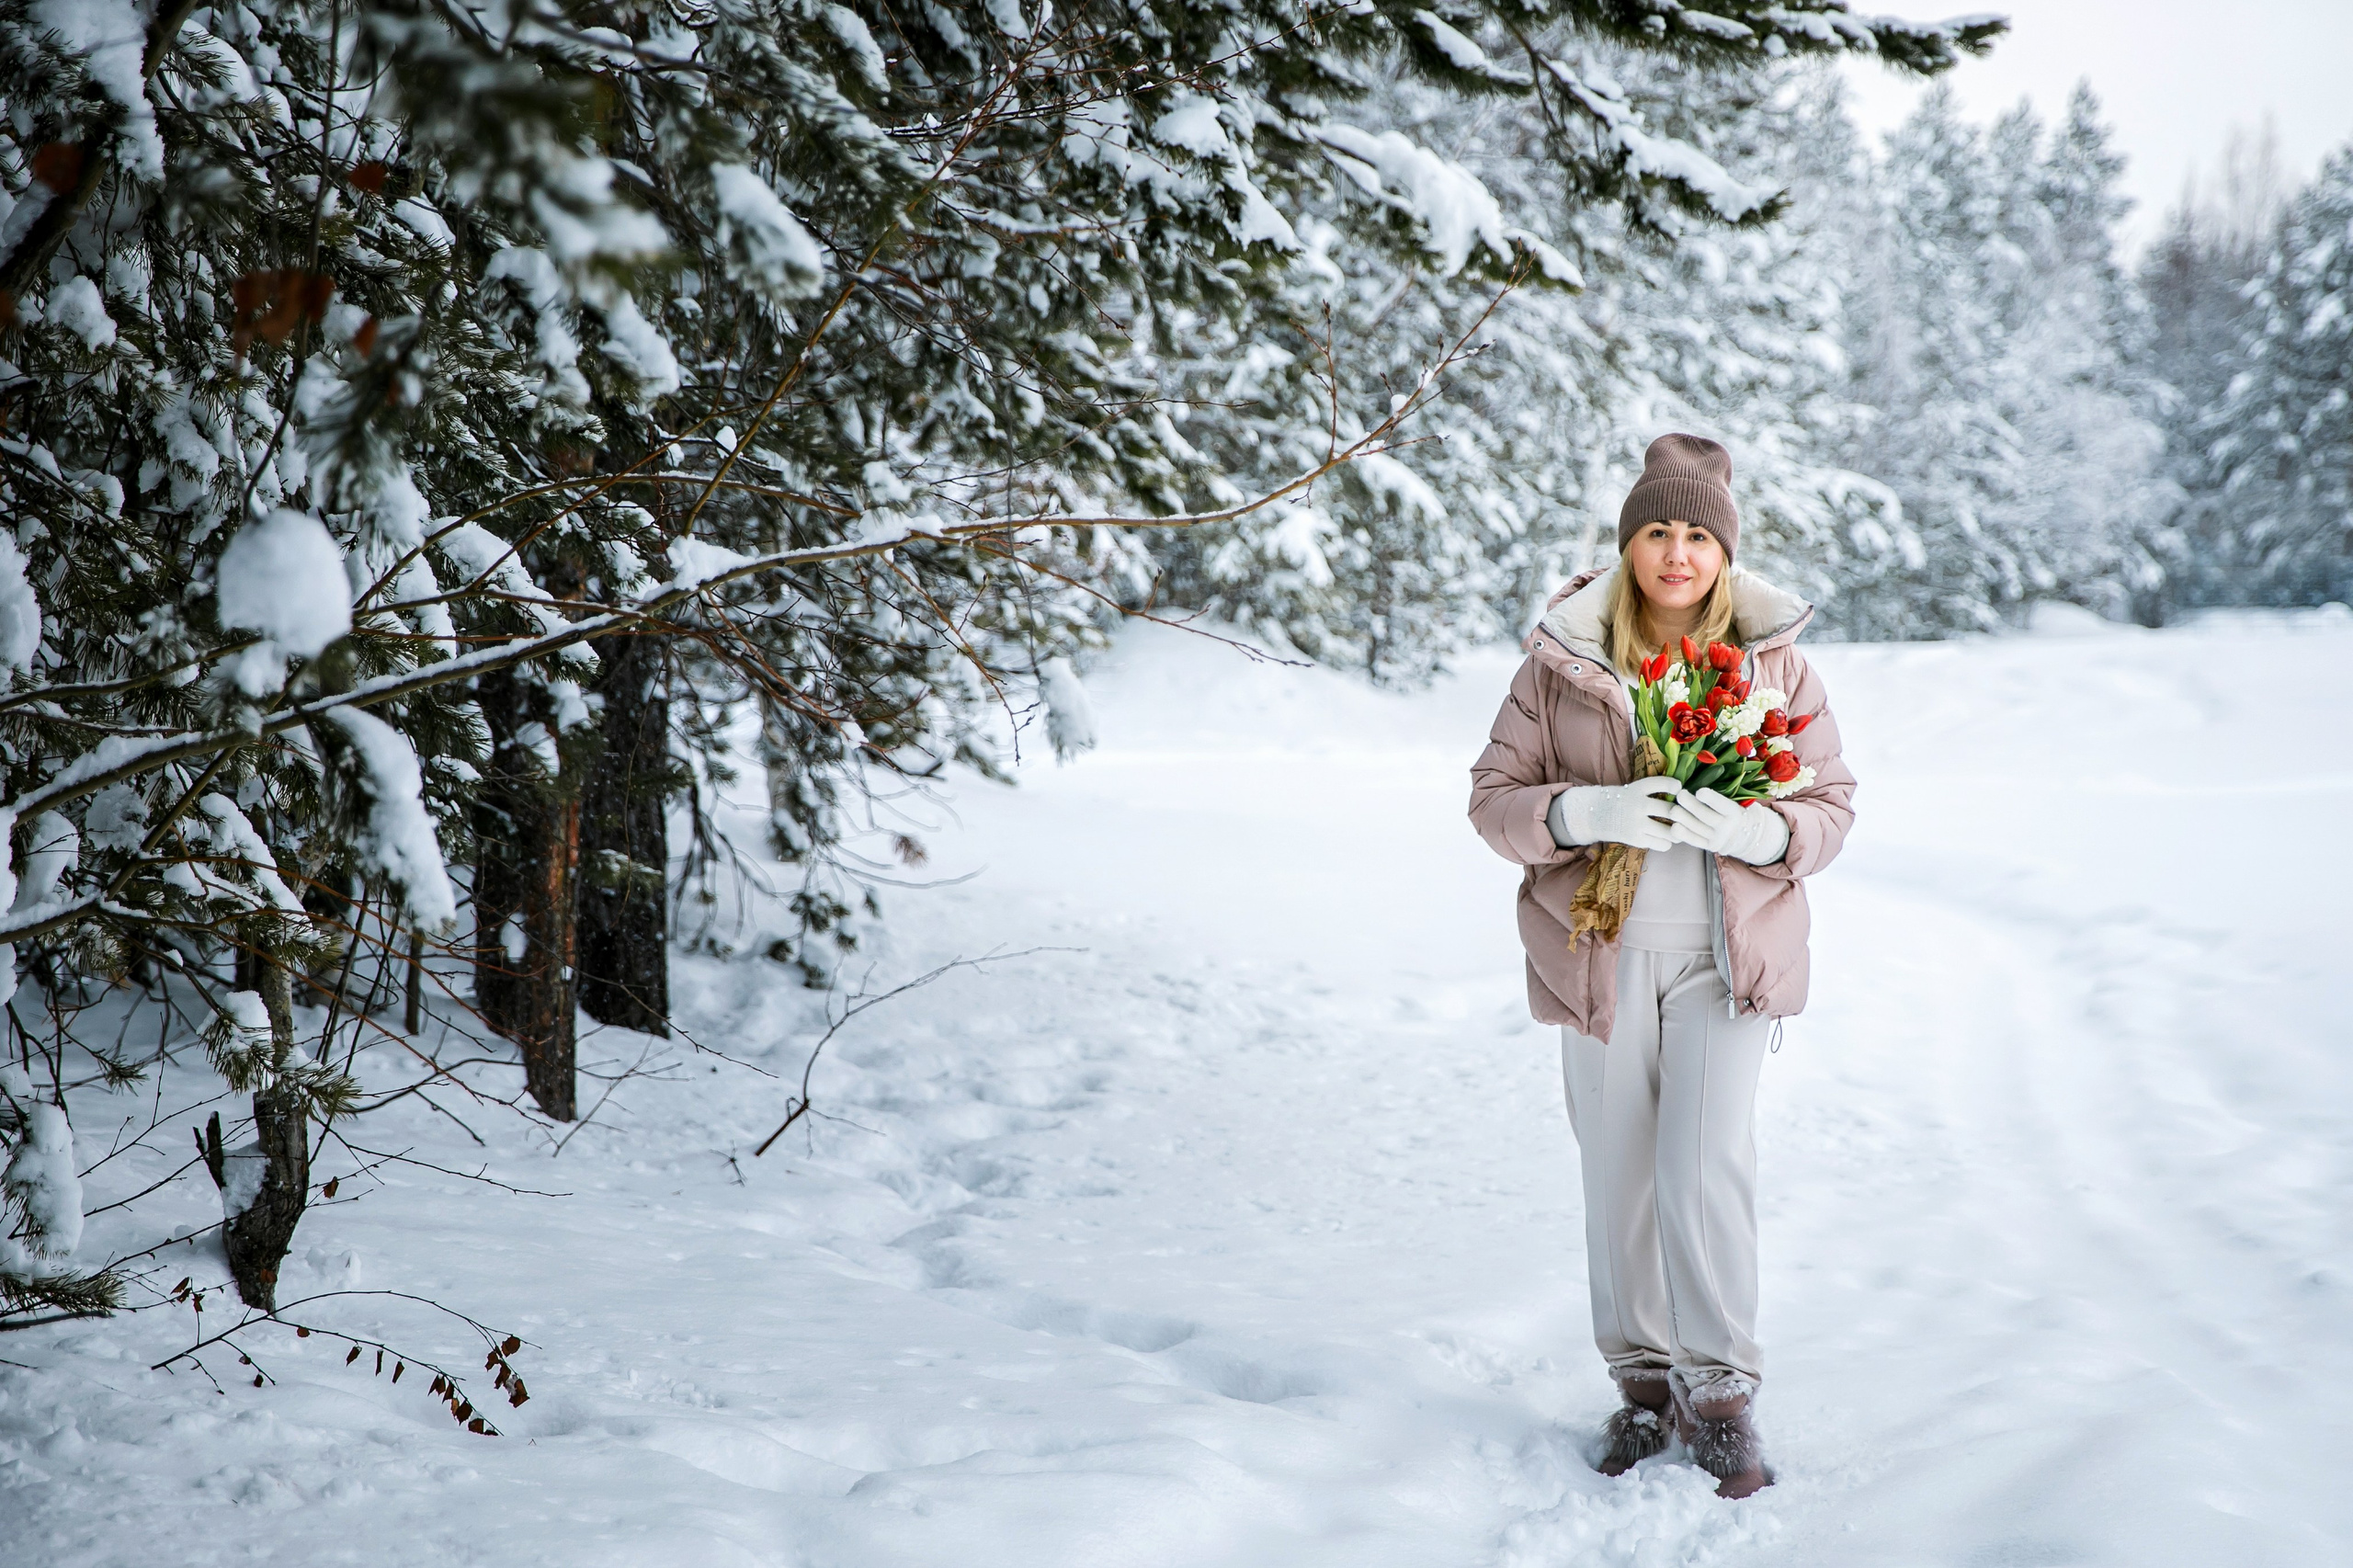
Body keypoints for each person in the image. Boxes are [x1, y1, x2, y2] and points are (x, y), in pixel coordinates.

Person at [1466, 433, 1857, 1499]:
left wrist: (1758, 834)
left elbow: (1828, 806)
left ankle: (1721, 1395)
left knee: (1704, 1165)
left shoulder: (1774, 663)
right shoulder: (1563, 662)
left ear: (1724, 551)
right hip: (1597, 956)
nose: (1676, 553)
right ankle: (1644, 1388)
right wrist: (1581, 811)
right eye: (1655, 531)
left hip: (1727, 962)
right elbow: (1492, 799)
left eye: (1696, 533)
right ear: (1627, 543)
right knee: (1620, 1176)